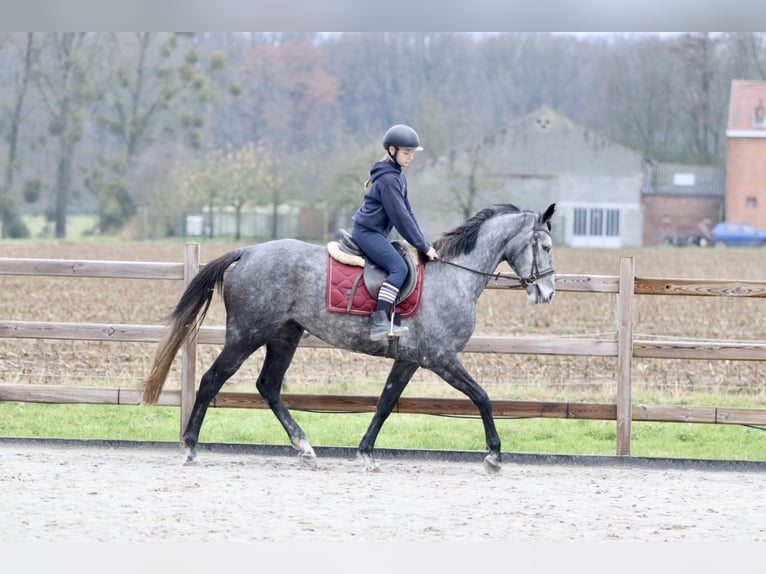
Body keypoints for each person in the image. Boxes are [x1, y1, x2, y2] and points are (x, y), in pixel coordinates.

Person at [351, 124, 439, 341]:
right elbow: (400, 219)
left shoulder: (397, 175)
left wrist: (424, 243)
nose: (411, 157)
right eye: (406, 153)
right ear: (392, 150)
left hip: (376, 233)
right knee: (398, 268)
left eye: (412, 153)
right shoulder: (389, 180)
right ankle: (379, 321)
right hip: (367, 233)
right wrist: (423, 246)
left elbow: (408, 213)